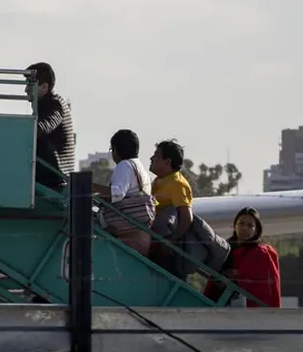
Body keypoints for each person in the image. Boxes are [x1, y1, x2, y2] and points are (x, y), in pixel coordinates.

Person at [203, 207, 282, 308]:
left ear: (256, 230)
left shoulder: (260, 253)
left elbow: (261, 288)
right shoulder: (224, 248)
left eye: (250, 225)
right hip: (220, 302)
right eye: (241, 223)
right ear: (235, 226)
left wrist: (236, 277)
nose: (245, 228)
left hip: (246, 309)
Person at [95, 129, 155, 256]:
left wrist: (90, 187)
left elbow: (116, 195)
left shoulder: (125, 165)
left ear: (116, 150)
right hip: (140, 236)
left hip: (126, 235)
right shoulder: (140, 167)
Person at [149, 139, 195, 278]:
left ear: (168, 162)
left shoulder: (177, 183)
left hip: (167, 253)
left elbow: (187, 217)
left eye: (156, 155)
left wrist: (170, 240)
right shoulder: (158, 180)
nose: (151, 158)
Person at [28, 62, 76, 188]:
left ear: (44, 87)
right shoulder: (50, 103)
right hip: (55, 175)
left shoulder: (55, 105)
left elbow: (45, 126)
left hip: (55, 178)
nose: (26, 89)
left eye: (30, 84)